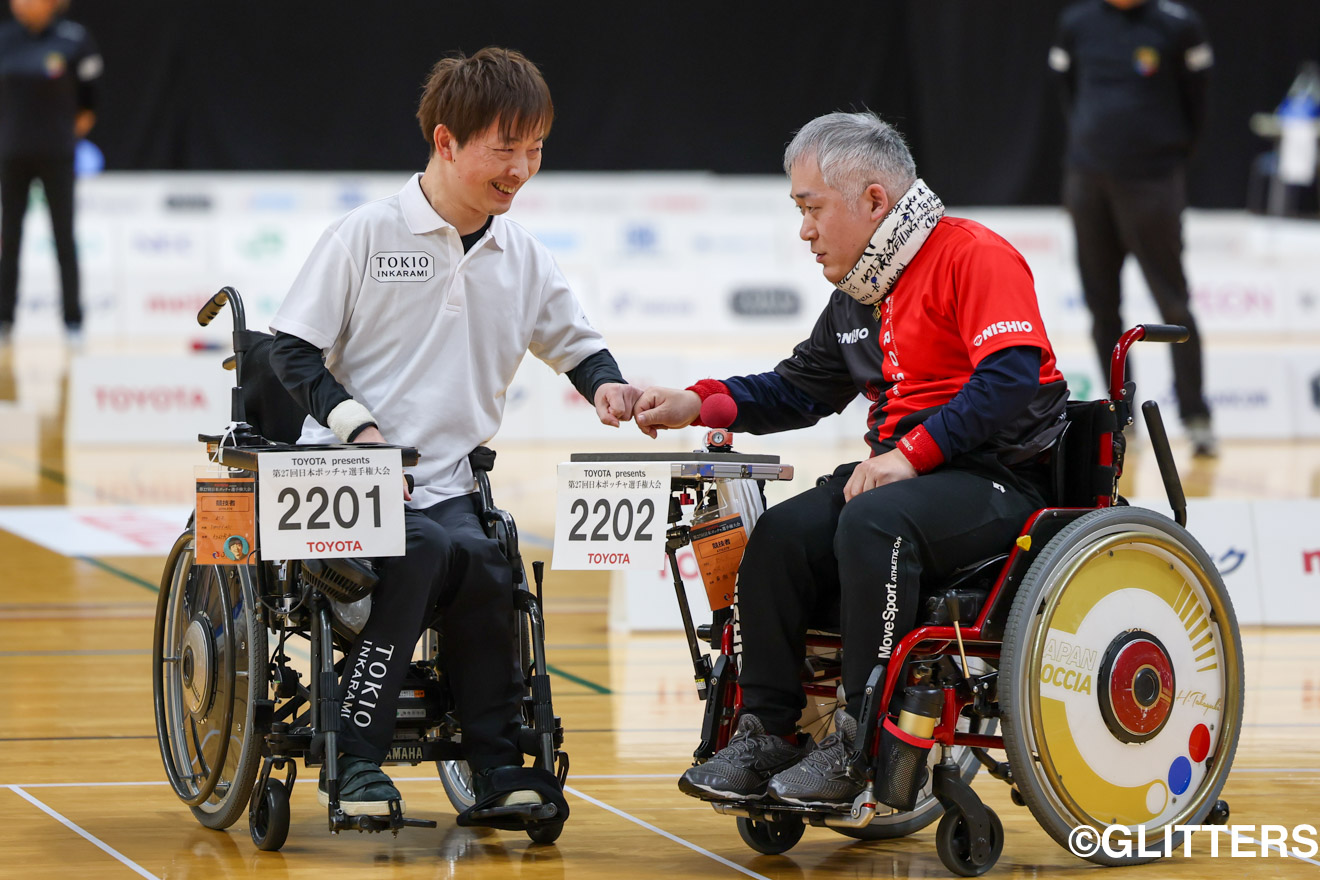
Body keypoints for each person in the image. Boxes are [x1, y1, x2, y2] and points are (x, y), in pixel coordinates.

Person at [634, 111, 1068, 808]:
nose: (803, 229)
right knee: (778, 536)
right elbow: (798, 389)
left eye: (811, 208)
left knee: (872, 520)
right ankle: (768, 732)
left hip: (1001, 479)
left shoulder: (974, 254)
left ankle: (856, 745)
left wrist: (912, 454)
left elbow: (1010, 378)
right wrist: (697, 401)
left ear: (874, 200)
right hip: (905, 480)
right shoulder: (860, 294)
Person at [269, 47, 641, 819]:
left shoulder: (523, 257)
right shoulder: (365, 235)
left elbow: (576, 345)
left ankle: (501, 773)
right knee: (429, 550)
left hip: (447, 489)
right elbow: (291, 350)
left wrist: (606, 386)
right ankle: (358, 762)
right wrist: (360, 430)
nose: (522, 169)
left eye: (535, 148)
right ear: (446, 142)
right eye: (504, 148)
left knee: (483, 561)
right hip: (342, 482)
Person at [1050, 0, 1216, 455]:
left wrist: (1165, 155)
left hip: (1153, 182)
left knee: (1173, 303)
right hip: (1088, 181)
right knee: (1103, 308)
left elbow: (1197, 99)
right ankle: (1120, 421)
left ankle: (1197, 415)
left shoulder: (1178, 25)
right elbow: (1067, 90)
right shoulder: (1076, 23)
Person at [0, 0, 100, 344]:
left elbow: (89, 101)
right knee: (9, 237)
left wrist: (64, 134)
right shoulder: (5, 38)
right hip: (11, 154)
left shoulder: (73, 39)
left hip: (57, 153)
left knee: (63, 236)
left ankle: (73, 321)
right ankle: (4, 321)